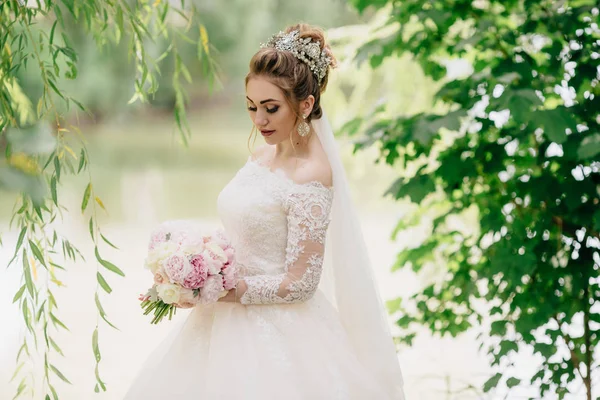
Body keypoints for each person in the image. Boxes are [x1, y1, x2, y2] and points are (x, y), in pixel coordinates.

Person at [124, 23, 406, 400]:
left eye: (271, 109)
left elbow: (301, 283)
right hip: (216, 321)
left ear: (305, 105)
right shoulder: (261, 155)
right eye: (252, 107)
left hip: (276, 331)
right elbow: (248, 231)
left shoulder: (311, 175)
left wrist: (220, 289)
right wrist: (196, 265)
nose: (258, 121)